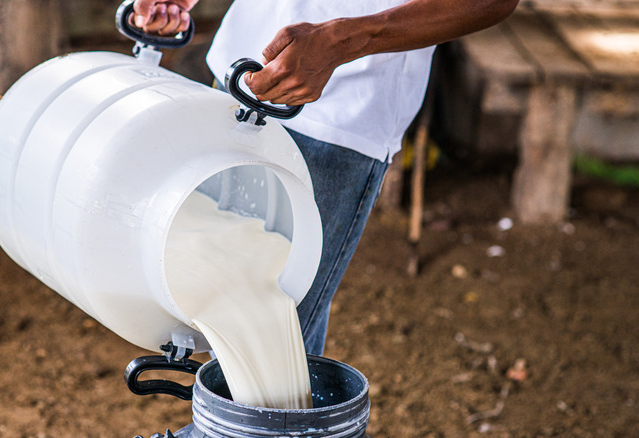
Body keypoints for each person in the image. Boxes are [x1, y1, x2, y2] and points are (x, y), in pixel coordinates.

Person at [132, 0, 519, 355]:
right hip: (234, 74)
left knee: (270, 344)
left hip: (335, 117)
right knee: (223, 317)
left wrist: (341, 40)